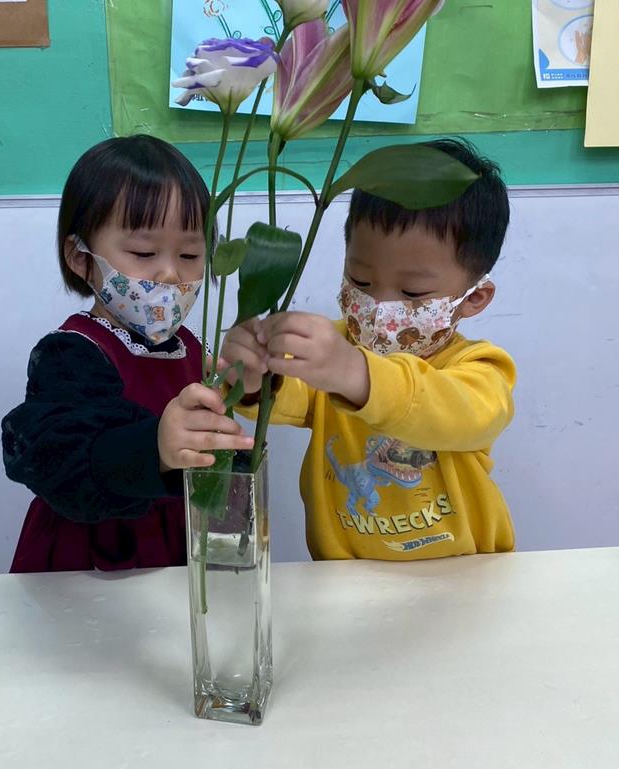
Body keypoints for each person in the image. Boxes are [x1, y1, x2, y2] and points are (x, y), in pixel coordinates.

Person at [221, 138, 515, 561]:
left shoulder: (479, 367)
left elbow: (461, 412)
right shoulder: (335, 350)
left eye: (412, 292)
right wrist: (252, 379)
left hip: (465, 573)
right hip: (345, 573)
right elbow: (287, 396)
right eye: (360, 281)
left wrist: (356, 373)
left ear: (474, 298)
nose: (379, 305)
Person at [2, 135, 253, 572]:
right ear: (80, 257)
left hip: (179, 554)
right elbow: (50, 455)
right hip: (92, 563)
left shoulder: (198, 350)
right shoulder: (73, 353)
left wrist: (250, 387)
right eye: (143, 252)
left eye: (190, 254)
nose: (170, 273)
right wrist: (154, 447)